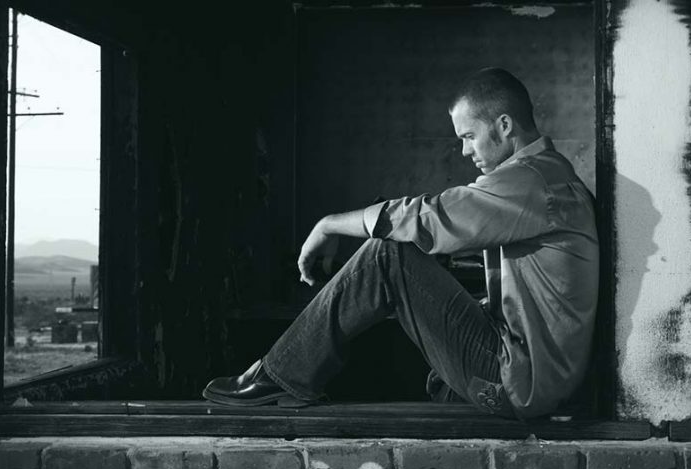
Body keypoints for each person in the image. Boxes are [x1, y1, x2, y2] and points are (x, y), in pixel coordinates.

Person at [203, 67, 599, 419]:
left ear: (505, 125)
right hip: (534, 379)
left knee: (388, 252)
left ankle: (279, 376)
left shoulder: (532, 182)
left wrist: (329, 225)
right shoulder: (548, 176)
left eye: (469, 136)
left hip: (520, 385)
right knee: (409, 252)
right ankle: (291, 374)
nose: (465, 150)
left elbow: (431, 217)